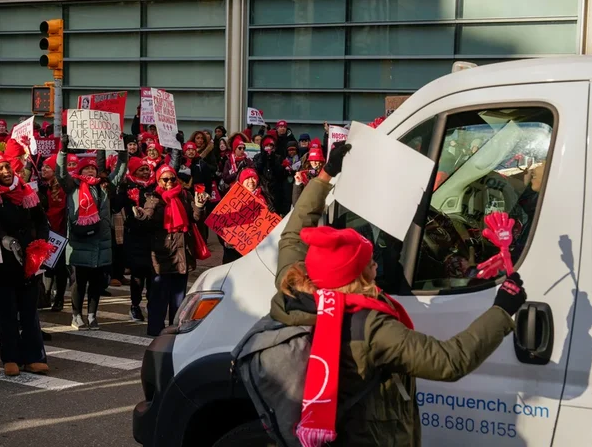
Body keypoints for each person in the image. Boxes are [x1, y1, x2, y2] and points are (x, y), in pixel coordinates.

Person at [236, 143, 525, 447]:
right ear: (357, 277)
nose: (377, 265)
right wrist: (502, 311)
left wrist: (326, 174)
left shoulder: (294, 285)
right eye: (369, 263)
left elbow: (294, 232)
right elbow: (449, 360)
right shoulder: (371, 326)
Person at [0, 150, 49, 376]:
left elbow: (41, 220)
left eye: (8, 166)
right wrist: (2, 239)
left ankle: (34, 356)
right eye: (0, 168)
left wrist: (41, 244)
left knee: (29, 312)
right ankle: (10, 357)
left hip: (29, 260)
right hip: (3, 262)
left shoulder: (26, 190)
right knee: (7, 313)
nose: (6, 171)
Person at [58, 138, 127, 331]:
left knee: (97, 283)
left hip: (101, 241)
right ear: (79, 172)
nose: (90, 171)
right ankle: (76, 315)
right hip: (81, 240)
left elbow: (120, 171)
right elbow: (61, 173)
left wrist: (122, 151)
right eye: (86, 169)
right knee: (79, 282)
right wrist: (63, 151)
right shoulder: (73, 187)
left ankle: (92, 315)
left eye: (93, 168)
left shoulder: (105, 187)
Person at [133, 164, 208, 336]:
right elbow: (148, 218)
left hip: (182, 251)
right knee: (159, 295)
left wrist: (199, 205)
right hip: (162, 251)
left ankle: (176, 328)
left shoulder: (184, 194)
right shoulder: (154, 197)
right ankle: (155, 330)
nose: (169, 182)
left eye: (172, 178)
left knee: (179, 297)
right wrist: (140, 215)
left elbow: (195, 218)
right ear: (159, 180)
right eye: (165, 179)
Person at [115, 156, 155, 322]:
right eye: (141, 169)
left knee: (153, 273)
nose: (146, 172)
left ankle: (152, 303)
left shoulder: (154, 187)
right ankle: (135, 305)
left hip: (152, 236)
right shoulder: (126, 187)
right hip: (134, 236)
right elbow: (116, 206)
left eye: (147, 169)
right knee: (138, 274)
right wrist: (121, 189)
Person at [38, 154, 69, 312]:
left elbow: (59, 211)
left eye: (48, 167)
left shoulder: (61, 188)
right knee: (47, 266)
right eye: (43, 166)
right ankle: (48, 293)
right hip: (46, 232)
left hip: (60, 233)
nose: (43, 169)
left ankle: (59, 298)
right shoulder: (43, 186)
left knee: (60, 268)